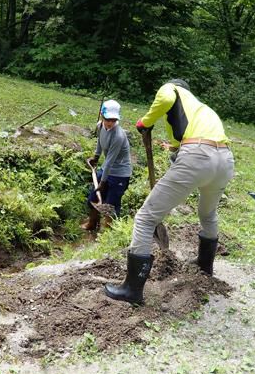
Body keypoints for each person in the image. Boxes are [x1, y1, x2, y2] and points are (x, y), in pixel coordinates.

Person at [104, 79, 235, 304]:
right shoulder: (202, 111)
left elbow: (164, 99)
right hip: (225, 160)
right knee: (208, 214)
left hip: (198, 156)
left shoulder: (172, 89)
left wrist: (145, 123)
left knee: (146, 218)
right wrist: (174, 150)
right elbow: (179, 143)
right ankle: (205, 267)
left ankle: (132, 290)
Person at [80, 99, 132, 231]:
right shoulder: (100, 126)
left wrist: (102, 182)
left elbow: (109, 160)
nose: (110, 123)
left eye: (113, 120)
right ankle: (92, 224)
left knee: (110, 205)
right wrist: (96, 157)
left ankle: (107, 235)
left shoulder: (118, 136)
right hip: (106, 169)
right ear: (102, 116)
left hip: (120, 174)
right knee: (94, 198)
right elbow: (100, 141)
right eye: (108, 119)